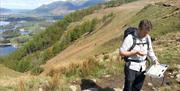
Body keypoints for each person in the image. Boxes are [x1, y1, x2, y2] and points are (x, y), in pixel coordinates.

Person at [119, 19, 160, 91]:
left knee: (137, 87)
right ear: (139, 29)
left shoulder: (147, 37)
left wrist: (155, 60)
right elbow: (121, 52)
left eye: (147, 32)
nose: (145, 35)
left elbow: (150, 50)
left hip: (142, 67)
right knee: (128, 88)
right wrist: (135, 52)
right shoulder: (130, 38)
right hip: (131, 67)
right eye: (144, 32)